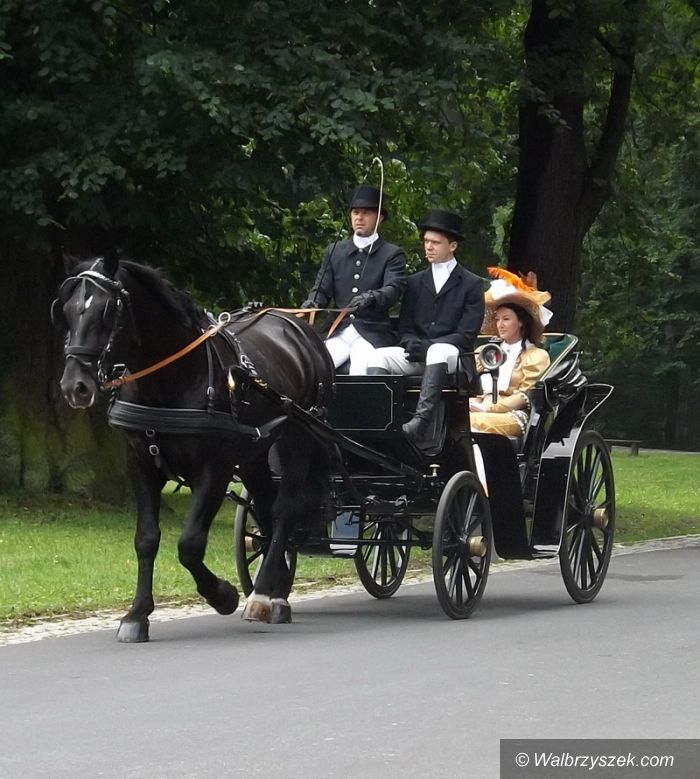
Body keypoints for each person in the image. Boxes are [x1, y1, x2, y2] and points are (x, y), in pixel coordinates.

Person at [366, 209, 485, 445]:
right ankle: (379, 421)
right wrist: (410, 343)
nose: (428, 247)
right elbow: (405, 326)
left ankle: (420, 423)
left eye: (435, 242)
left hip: (455, 358)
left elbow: (466, 334)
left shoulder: (472, 284)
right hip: (420, 353)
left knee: (437, 351)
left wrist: (428, 346)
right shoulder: (414, 282)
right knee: (377, 356)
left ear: (452, 246)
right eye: (426, 241)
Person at [301, 185, 407, 374]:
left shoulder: (392, 254)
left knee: (360, 368)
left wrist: (372, 297)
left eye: (366, 213)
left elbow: (394, 288)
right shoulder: (335, 251)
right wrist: (313, 302)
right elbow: (322, 289)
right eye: (356, 212)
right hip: (338, 331)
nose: (359, 218)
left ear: (379, 218)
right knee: (314, 368)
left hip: (371, 333)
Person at [470, 269, 552, 436]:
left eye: (506, 319)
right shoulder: (484, 352)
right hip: (479, 407)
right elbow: (470, 385)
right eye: (497, 319)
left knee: (472, 421)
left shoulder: (536, 356)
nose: (500, 325)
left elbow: (524, 396)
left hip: (514, 414)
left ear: (521, 322)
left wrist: (489, 408)